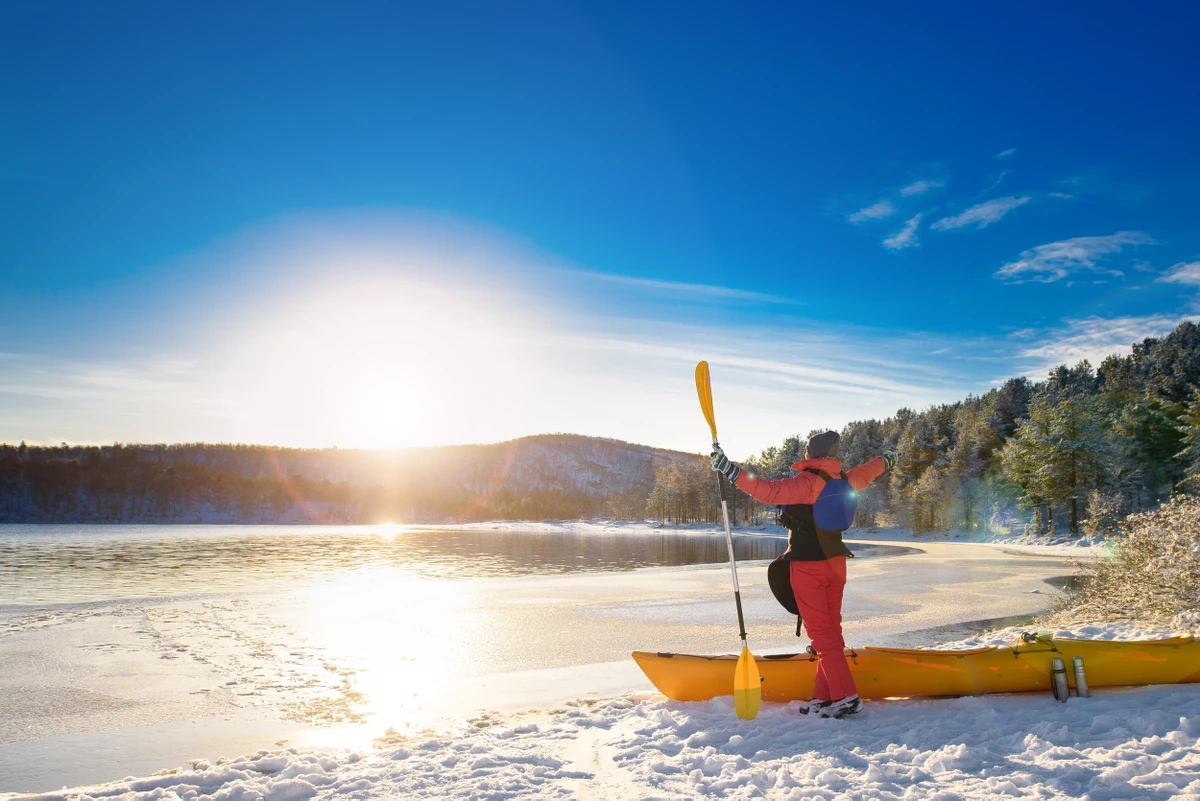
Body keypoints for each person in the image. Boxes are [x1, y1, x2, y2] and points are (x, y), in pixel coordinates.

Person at [711, 430, 899, 719]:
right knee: (830, 632)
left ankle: (846, 698)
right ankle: (823, 698)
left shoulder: (807, 482)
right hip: (836, 563)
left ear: (810, 454)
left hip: (808, 565)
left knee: (822, 637)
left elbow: (766, 490)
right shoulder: (845, 479)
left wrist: (730, 470)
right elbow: (869, 470)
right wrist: (888, 459)